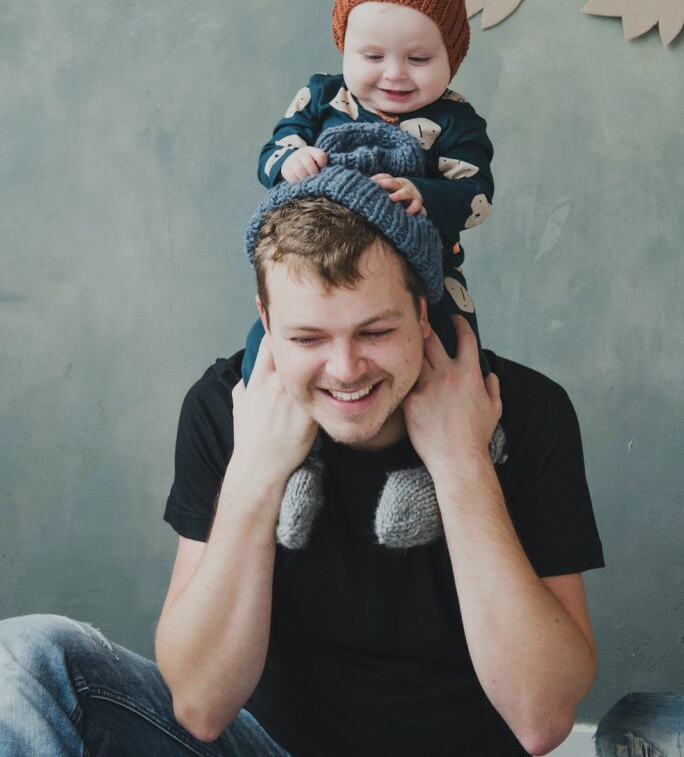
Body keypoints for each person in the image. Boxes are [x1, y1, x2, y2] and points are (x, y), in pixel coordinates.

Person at [0, 186, 605, 757]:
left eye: (376, 331)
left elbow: (542, 718)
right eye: (308, 337)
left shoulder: (520, 411)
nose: (345, 369)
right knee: (23, 657)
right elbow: (202, 706)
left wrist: (461, 462)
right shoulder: (224, 405)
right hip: (263, 746)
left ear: (424, 310)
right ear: (266, 320)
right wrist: (256, 471)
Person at [242, 0, 494, 386]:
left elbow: (477, 197)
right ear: (343, 46)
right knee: (269, 341)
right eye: (372, 55)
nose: (394, 73)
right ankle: (269, 417)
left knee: (454, 340)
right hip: (312, 262)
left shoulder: (455, 120)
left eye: (418, 57)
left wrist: (424, 194)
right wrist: (291, 160)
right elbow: (273, 150)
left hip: (422, 270)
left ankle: (465, 424)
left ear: (453, 56)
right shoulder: (320, 96)